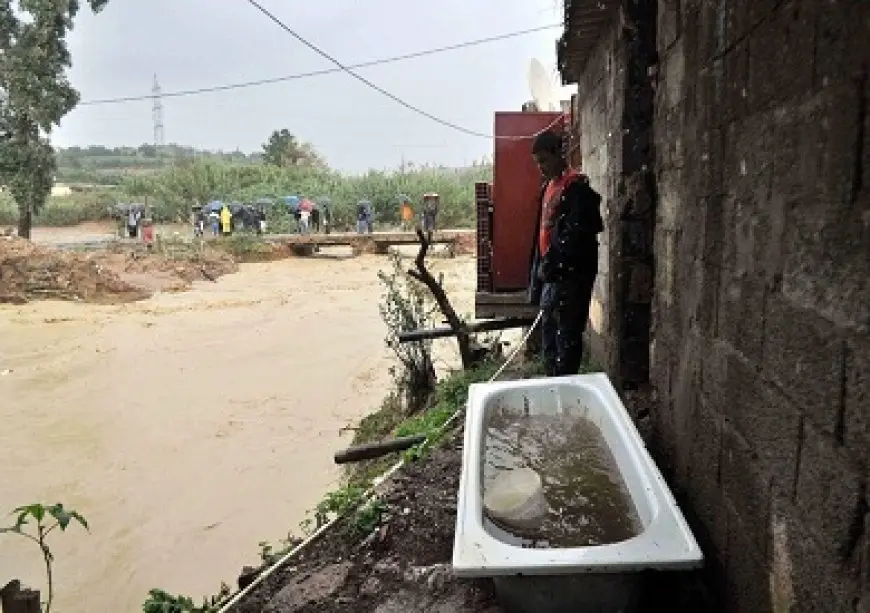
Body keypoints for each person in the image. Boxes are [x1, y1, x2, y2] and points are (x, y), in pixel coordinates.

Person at [527, 130, 603, 377]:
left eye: (544, 161)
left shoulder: (576, 189)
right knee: (550, 334)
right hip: (551, 275)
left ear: (557, 154)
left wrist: (557, 265)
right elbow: (542, 233)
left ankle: (564, 384)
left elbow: (575, 240)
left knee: (567, 337)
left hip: (570, 278)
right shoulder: (548, 188)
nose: (541, 167)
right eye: (537, 162)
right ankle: (552, 379)